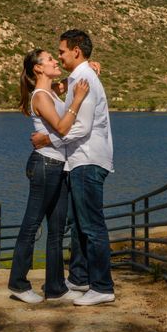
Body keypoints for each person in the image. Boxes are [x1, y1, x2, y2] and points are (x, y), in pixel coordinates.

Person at [32, 29, 115, 306]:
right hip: (80, 159)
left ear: (76, 51)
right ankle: (79, 278)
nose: (59, 56)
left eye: (62, 51)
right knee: (79, 223)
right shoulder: (80, 76)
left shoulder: (84, 78)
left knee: (92, 225)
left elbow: (82, 126)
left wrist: (47, 138)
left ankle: (102, 286)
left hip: (88, 159)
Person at [8, 48, 91, 303]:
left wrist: (89, 66)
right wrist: (77, 100)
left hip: (58, 166)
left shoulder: (52, 91)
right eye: (50, 60)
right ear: (38, 68)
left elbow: (70, 80)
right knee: (32, 225)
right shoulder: (41, 96)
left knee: (56, 229)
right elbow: (63, 128)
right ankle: (18, 284)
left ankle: (55, 287)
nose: (56, 61)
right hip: (44, 165)